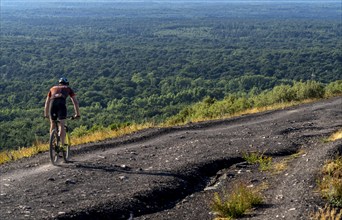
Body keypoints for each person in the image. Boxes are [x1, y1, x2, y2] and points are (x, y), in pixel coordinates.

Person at [44, 77, 80, 147]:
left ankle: (52, 142)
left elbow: (47, 102)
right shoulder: (68, 88)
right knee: (62, 124)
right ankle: (62, 145)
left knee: (53, 123)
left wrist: (46, 114)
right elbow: (75, 102)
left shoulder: (52, 88)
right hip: (61, 105)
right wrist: (77, 114)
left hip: (52, 105)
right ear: (67, 84)